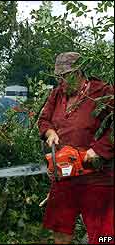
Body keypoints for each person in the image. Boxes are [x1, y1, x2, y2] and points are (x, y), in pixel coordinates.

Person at [38, 52, 114, 244]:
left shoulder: (102, 92)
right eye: (59, 77)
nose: (62, 81)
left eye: (66, 76)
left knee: (104, 236)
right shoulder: (57, 94)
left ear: (79, 72)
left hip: (96, 175)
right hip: (64, 175)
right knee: (60, 230)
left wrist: (98, 150)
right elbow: (44, 119)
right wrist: (50, 133)